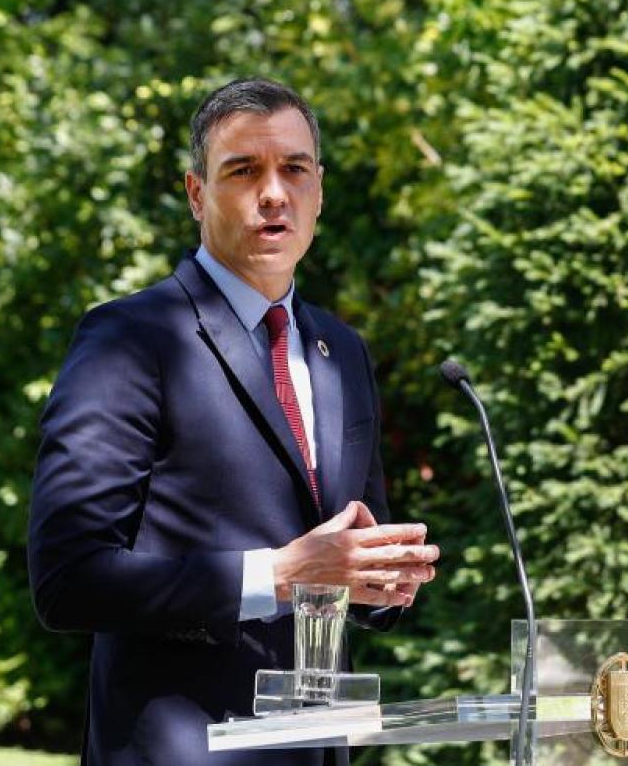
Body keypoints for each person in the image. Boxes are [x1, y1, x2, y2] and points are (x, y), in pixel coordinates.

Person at [28, 78, 440, 765]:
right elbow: (69, 580)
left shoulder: (343, 351)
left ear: (319, 191)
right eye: (244, 170)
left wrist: (380, 584)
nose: (274, 193)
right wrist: (276, 574)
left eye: (295, 169)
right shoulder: (129, 340)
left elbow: (346, 551)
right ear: (197, 194)